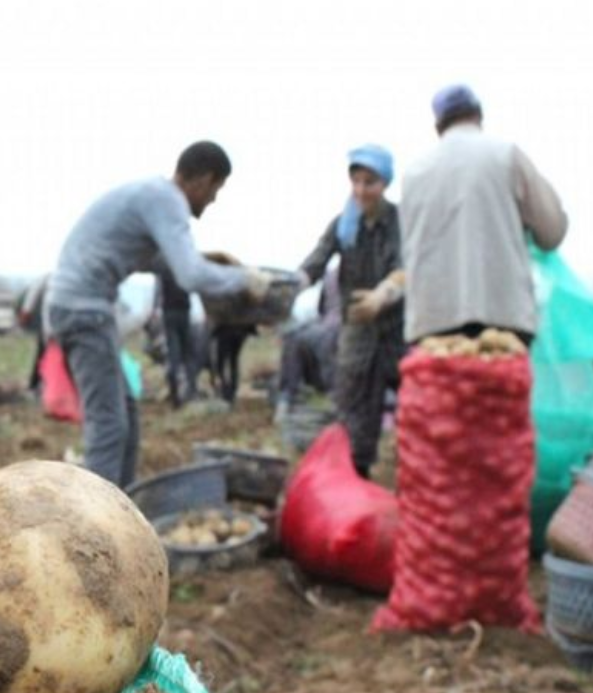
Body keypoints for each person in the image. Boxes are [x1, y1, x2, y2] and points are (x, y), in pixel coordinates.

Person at [45, 141, 269, 487]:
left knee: (127, 418)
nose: (213, 200)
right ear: (205, 180)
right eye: (216, 189)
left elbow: (160, 261)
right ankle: (94, 527)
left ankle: (121, 508)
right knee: (109, 426)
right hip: (84, 311)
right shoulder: (167, 200)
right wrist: (245, 280)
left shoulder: (151, 195)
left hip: (81, 308)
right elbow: (189, 275)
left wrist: (211, 259)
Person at [401, 84, 568, 345]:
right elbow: (552, 232)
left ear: (438, 126)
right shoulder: (505, 154)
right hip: (504, 319)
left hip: (432, 325)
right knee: (499, 386)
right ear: (478, 115)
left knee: (444, 386)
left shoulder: (413, 174)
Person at [295, 145, 405, 478]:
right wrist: (289, 284)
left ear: (384, 183)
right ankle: (355, 480)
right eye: (355, 181)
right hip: (356, 335)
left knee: (415, 408)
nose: (361, 190)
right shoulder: (343, 225)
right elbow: (315, 262)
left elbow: (406, 267)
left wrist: (382, 296)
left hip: (396, 331)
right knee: (355, 416)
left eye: (369, 182)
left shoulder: (399, 221)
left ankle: (413, 475)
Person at [275, 266, 342, 421]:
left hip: (345, 328)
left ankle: (287, 398)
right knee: (295, 337)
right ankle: (286, 399)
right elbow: (322, 309)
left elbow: (322, 309)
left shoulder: (331, 275)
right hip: (331, 327)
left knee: (302, 338)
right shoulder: (331, 275)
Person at [152, 267, 200, 408]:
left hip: (168, 314)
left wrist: (154, 310)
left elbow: (157, 294)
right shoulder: (183, 268)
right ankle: (191, 392)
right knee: (189, 355)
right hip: (184, 313)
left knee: (173, 356)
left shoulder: (162, 271)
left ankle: (175, 397)